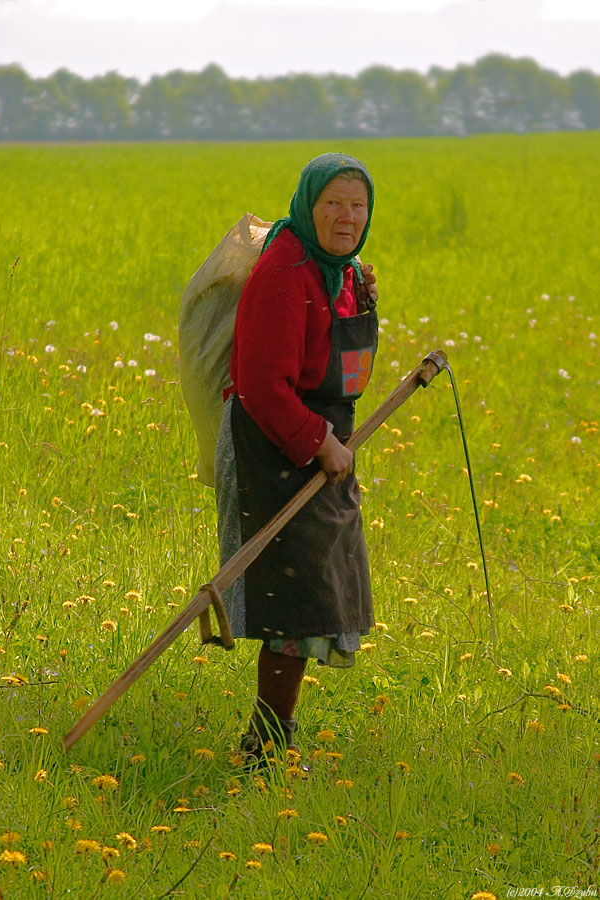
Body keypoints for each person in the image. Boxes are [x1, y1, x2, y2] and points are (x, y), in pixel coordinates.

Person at [215, 152, 379, 764]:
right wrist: (319, 443)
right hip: (272, 446)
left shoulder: (343, 271)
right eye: (333, 202)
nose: (346, 216)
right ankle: (264, 748)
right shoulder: (286, 271)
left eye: (357, 205)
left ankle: (271, 739)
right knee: (289, 601)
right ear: (308, 205)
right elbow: (261, 384)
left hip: (319, 442)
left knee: (311, 595)